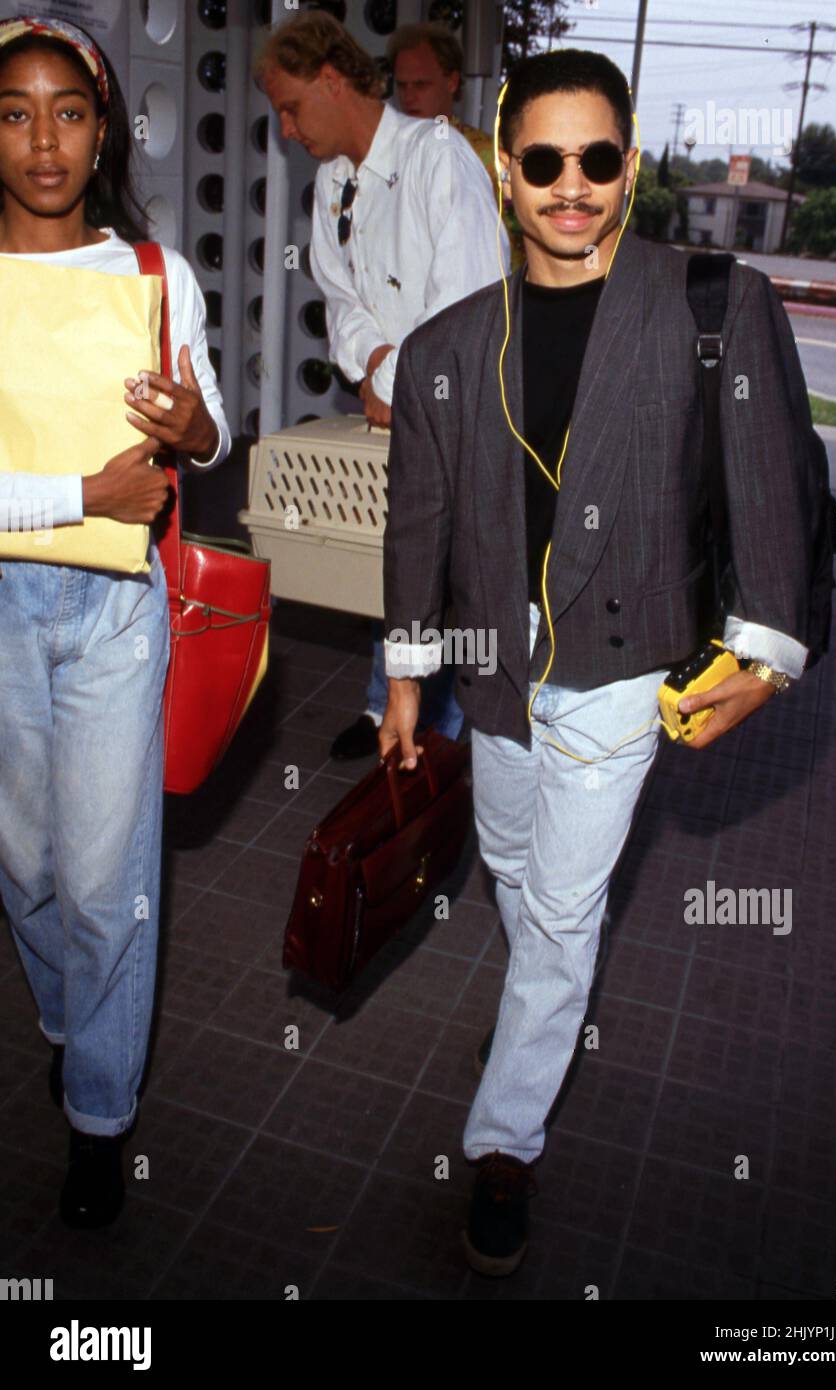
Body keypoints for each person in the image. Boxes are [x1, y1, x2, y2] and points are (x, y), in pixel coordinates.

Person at [380, 49, 827, 1276]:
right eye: (542, 161)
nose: (569, 186)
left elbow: (775, 485)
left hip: (629, 666)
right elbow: (416, 523)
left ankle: (503, 1145)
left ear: (627, 169)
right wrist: (408, 681)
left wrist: (767, 653)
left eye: (595, 160)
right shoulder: (443, 347)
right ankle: (544, 1010)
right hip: (492, 672)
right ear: (503, 171)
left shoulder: (707, 303)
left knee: (566, 908)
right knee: (517, 872)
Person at [0, 16, 230, 1229]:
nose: (44, 139)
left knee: (103, 879)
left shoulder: (153, 274)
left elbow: (214, 431)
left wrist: (194, 430)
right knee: (25, 870)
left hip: (114, 610)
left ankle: (99, 1112)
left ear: (102, 131)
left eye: (69, 112)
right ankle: (66, 1016)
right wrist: (84, 493)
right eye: (15, 112)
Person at [256, 10, 509, 761]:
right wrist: (373, 368)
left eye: (291, 106)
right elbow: (342, 307)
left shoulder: (438, 158)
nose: (287, 129)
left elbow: (467, 304)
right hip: (390, 406)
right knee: (394, 563)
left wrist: (393, 380)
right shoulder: (330, 183)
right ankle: (386, 711)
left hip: (460, 417)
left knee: (455, 583)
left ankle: (449, 744)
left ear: (333, 80)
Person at [387, 20, 525, 269]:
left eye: (420, 85)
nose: (408, 97)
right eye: (401, 85)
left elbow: (516, 246)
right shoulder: (386, 153)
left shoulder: (487, 156)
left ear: (451, 82)